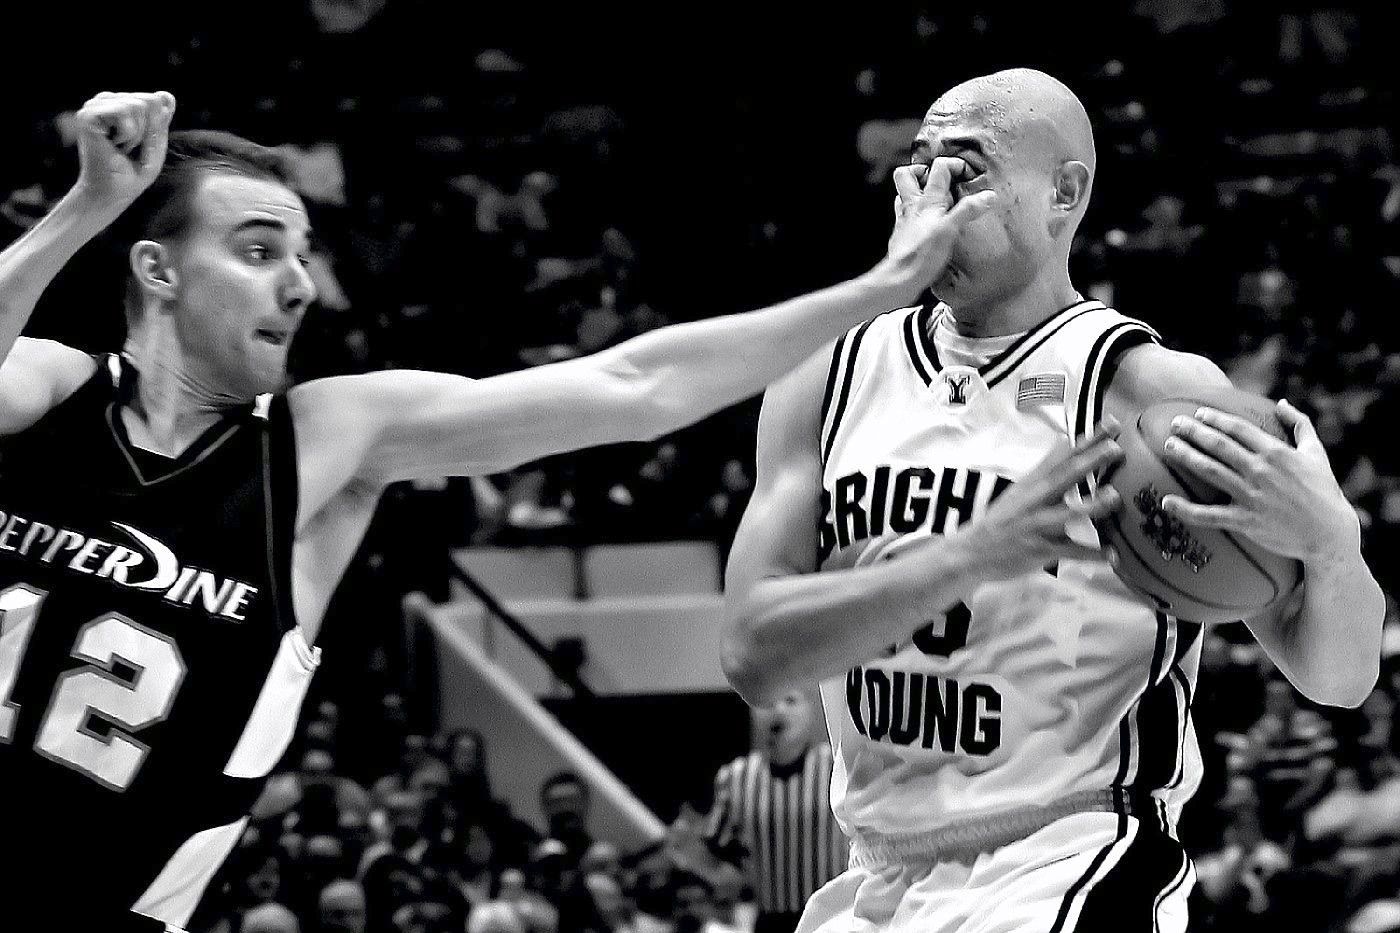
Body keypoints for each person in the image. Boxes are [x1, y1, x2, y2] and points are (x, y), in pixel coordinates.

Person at [0, 90, 993, 932]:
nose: (299, 285)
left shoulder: (320, 441)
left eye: (302, 254)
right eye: (258, 251)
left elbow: (634, 385)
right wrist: (87, 206)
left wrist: (882, 286)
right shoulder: (48, 390)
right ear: (157, 270)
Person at [721, 68, 1385, 932]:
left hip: (1075, 854)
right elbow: (751, 656)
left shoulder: (1151, 393)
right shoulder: (825, 377)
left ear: (1064, 194)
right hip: (878, 872)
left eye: (965, 171)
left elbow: (1340, 675)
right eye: (919, 169)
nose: (932, 198)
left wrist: (1332, 548)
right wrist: (970, 553)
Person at [700, 688, 847, 933]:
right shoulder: (736, 777)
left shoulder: (834, 766)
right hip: (770, 921)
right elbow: (714, 852)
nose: (778, 710)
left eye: (790, 700)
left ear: (811, 709)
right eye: (768, 702)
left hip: (832, 919)